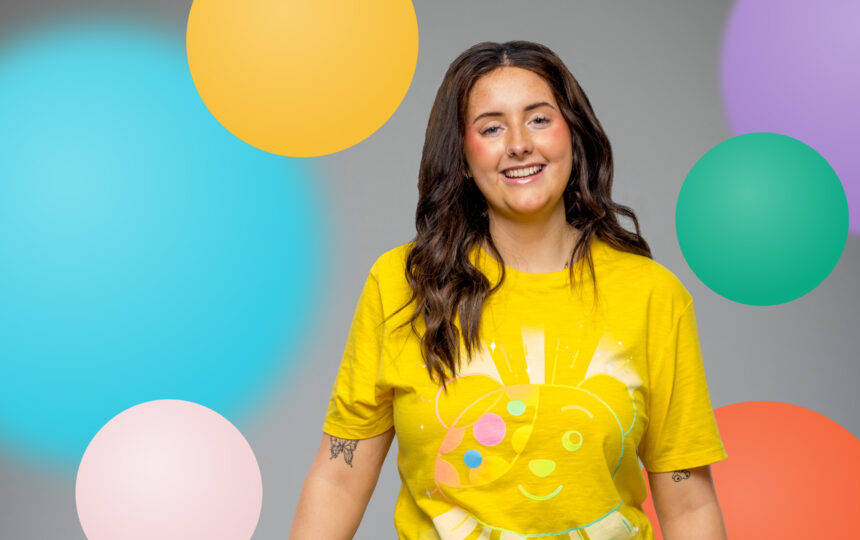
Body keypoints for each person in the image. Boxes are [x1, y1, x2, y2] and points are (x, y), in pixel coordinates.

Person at [290, 40, 728, 540]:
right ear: (461, 155)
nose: (519, 143)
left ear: (573, 136)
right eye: (492, 127)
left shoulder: (652, 294)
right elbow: (339, 478)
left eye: (539, 119)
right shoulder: (403, 284)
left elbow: (688, 504)